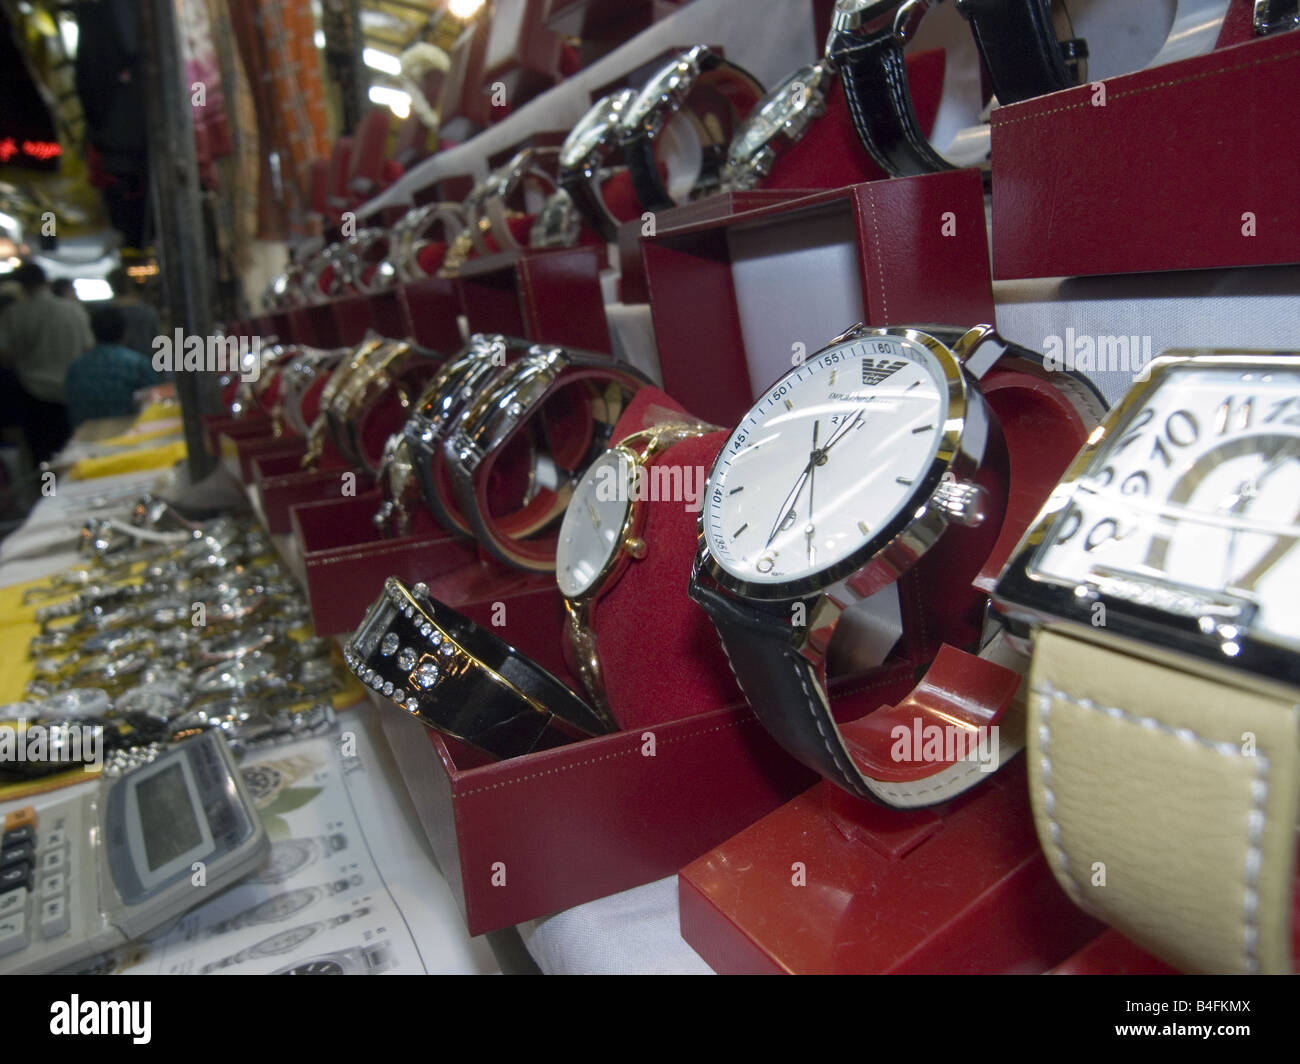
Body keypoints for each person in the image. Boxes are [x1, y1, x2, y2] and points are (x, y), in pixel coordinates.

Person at [0, 260, 93, 463]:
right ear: (47, 282)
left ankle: (50, 492)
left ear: (22, 286)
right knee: (80, 452)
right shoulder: (73, 310)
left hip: (34, 396)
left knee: (45, 458)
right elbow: (88, 348)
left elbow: (5, 355)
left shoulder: (14, 315)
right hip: (73, 393)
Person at [64, 305, 164, 428]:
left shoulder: (77, 367)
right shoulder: (137, 363)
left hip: (84, 436)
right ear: (125, 333)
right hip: (128, 435)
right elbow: (157, 401)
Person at [107, 266, 161, 360]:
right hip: (147, 359)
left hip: (119, 362)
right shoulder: (147, 311)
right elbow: (157, 339)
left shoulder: (108, 313)